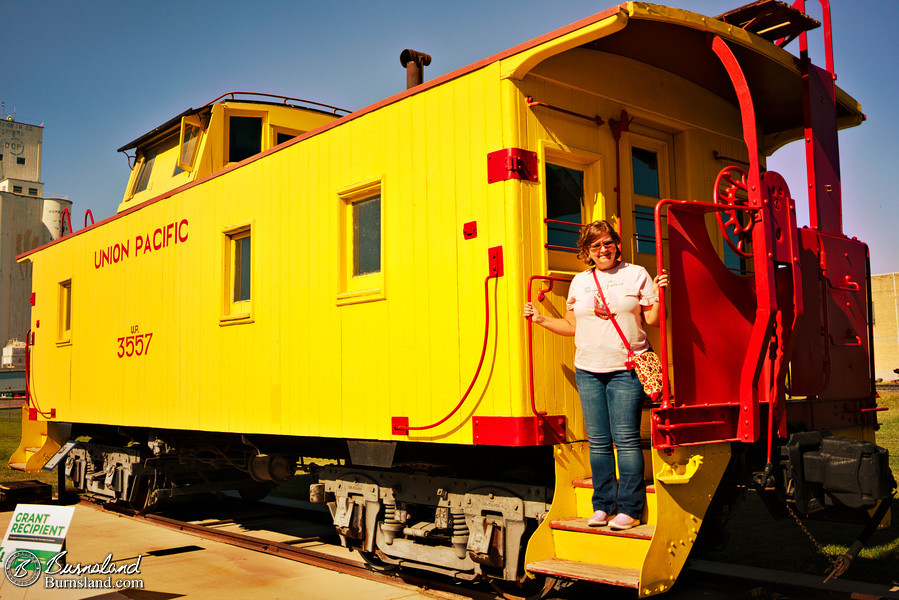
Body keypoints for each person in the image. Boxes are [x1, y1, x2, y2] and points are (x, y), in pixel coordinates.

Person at [524, 220, 667, 530]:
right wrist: (540, 319)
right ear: (587, 252)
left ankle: (629, 508)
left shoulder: (635, 274)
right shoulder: (581, 281)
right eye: (595, 246)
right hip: (588, 369)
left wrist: (662, 293)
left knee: (626, 441)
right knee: (599, 442)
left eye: (607, 243)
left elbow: (653, 319)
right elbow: (573, 326)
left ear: (616, 244)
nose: (603, 250)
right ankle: (603, 506)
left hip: (625, 369)